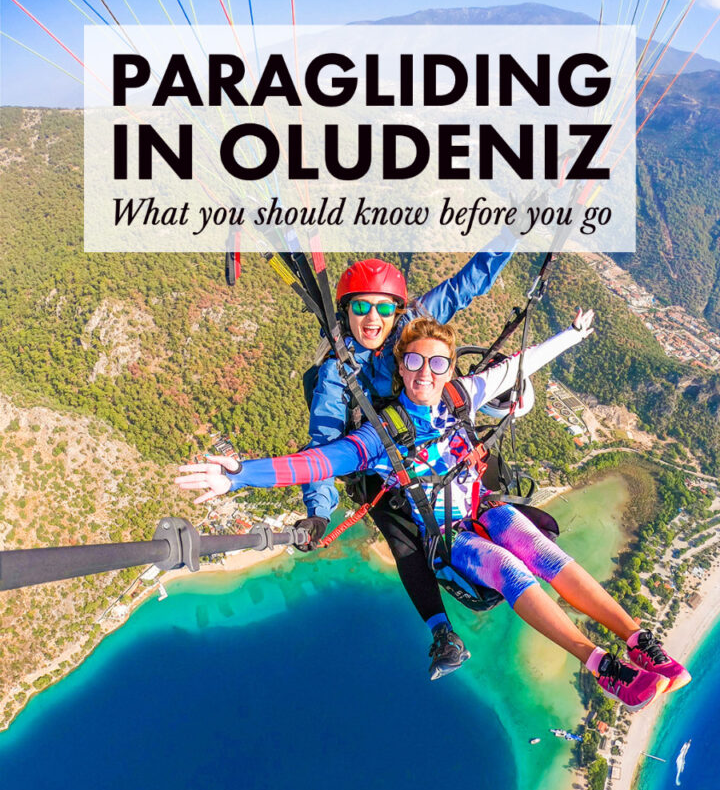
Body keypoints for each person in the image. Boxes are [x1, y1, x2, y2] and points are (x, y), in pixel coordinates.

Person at [177, 312, 690, 709]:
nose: (426, 372)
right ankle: (599, 664)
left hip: (479, 508)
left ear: (448, 367)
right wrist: (239, 474)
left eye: (438, 362)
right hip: (448, 539)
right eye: (415, 362)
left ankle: (640, 640)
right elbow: (315, 462)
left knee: (534, 545)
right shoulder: (379, 436)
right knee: (510, 567)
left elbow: (518, 365)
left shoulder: (456, 399)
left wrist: (572, 337)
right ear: (400, 366)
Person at [300, 245, 515, 681]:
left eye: (383, 308)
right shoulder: (337, 373)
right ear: (345, 312)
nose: (373, 320)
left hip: (436, 438)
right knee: (401, 538)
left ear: (398, 311)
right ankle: (443, 633)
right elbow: (322, 445)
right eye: (361, 307)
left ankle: (509, 543)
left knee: (485, 480)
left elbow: (468, 283)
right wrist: (318, 512)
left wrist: (516, 230)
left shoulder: (413, 324)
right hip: (382, 468)